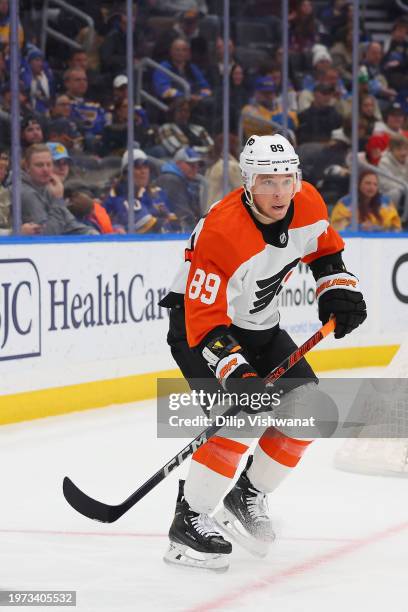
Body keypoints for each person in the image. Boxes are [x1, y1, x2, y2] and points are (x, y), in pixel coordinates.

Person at [159, 134, 367, 571]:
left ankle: (246, 495)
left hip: (260, 327)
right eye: (266, 181)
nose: (278, 191)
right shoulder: (223, 231)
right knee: (245, 412)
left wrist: (337, 290)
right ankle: (189, 518)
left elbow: (326, 251)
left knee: (314, 411)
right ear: (248, 182)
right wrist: (236, 373)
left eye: (285, 179)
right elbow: (204, 319)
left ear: (297, 179)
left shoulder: (307, 202)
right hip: (200, 328)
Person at [21, 144, 95, 235]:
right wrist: (58, 200)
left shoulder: (46, 187)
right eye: (39, 165)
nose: (46, 169)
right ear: (27, 167)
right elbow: (46, 235)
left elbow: (69, 223)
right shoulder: (26, 193)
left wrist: (90, 233)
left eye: (49, 164)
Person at [103, 148, 179, 233]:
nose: (143, 171)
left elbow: (175, 224)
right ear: (125, 173)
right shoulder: (115, 197)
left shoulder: (158, 194)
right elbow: (146, 226)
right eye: (138, 167)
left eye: (146, 167)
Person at [331, 169, 401, 231]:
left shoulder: (386, 202)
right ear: (358, 184)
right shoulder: (345, 203)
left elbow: (396, 228)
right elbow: (337, 228)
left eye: (375, 184)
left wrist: (375, 228)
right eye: (368, 183)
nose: (372, 187)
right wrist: (360, 227)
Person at [155, 146, 204, 232]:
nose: (195, 169)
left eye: (197, 165)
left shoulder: (184, 180)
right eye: (191, 165)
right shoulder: (170, 180)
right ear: (178, 163)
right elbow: (182, 212)